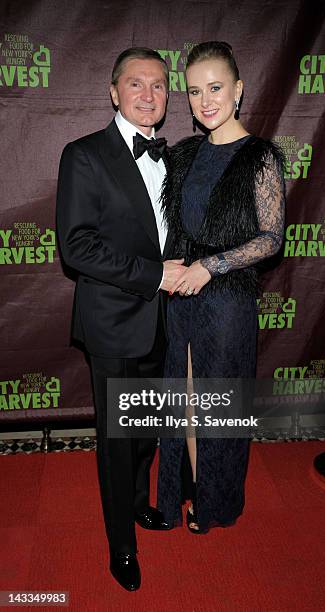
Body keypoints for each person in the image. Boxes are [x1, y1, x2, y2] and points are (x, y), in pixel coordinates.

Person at [56, 47, 186, 592]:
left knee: (147, 430)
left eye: (158, 86)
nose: (148, 95)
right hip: (113, 322)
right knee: (115, 438)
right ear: (114, 91)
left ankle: (137, 506)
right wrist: (154, 275)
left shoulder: (173, 157)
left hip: (164, 321)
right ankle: (121, 546)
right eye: (137, 84)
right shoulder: (83, 154)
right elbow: (77, 246)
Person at [157, 41, 285, 534]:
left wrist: (211, 266)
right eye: (193, 91)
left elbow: (271, 239)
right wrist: (174, 261)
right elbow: (180, 228)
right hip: (184, 297)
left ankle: (215, 501)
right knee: (185, 400)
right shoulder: (185, 154)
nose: (204, 100)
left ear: (238, 89)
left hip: (227, 302)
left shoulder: (260, 157)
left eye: (215, 87)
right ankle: (188, 492)